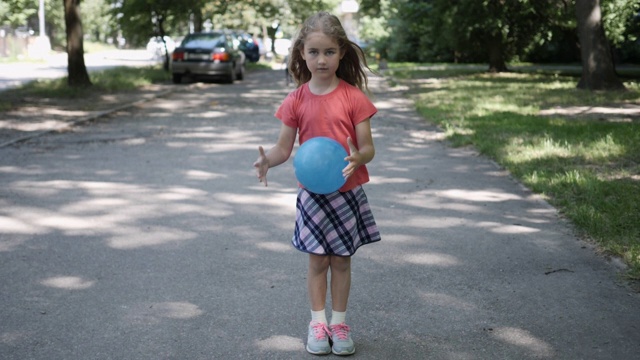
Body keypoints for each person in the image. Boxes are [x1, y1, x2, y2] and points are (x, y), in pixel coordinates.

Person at [253, 11, 381, 356]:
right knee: (317, 261)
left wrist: (359, 157)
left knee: (341, 260)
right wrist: (268, 161)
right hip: (312, 195)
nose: (321, 59)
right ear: (301, 54)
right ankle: (317, 323)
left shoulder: (353, 97)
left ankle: (339, 324)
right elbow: (283, 148)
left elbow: (367, 147)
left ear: (341, 53)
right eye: (313, 52)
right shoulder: (295, 100)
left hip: (345, 192)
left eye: (328, 52)